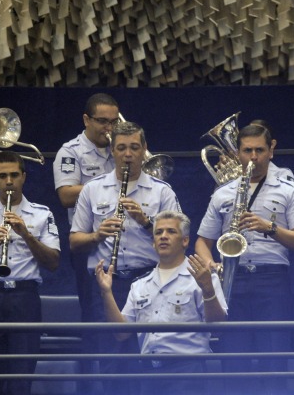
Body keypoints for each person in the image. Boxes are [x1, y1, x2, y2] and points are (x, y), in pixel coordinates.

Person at [195, 124, 294, 394]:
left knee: (274, 358)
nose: (253, 157)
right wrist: (210, 264)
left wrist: (269, 228)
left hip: (272, 281)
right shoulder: (223, 193)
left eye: (259, 150)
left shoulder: (288, 190)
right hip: (231, 281)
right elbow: (202, 241)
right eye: (247, 150)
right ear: (238, 153)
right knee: (233, 360)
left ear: (271, 150)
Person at [70, 121, 181, 395]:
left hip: (151, 283)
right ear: (112, 151)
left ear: (144, 149)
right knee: (111, 360)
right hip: (109, 284)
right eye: (121, 148)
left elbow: (179, 240)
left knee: (151, 356)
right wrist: (97, 235)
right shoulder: (92, 189)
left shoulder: (161, 191)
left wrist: (146, 222)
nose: (128, 154)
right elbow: (74, 241)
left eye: (134, 147)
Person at [95, 211, 227, 395]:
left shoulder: (202, 277)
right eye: (158, 233)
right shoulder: (140, 285)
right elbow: (121, 334)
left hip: (188, 371)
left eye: (171, 231)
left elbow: (217, 325)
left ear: (185, 241)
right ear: (153, 242)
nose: (163, 236)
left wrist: (207, 289)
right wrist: (107, 292)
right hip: (148, 372)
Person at [0, 151, 60, 395]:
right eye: (2, 175)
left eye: (14, 175)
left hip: (25, 297)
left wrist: (26, 234)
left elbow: (53, 262)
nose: (8, 181)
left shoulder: (42, 213)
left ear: (24, 177)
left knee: (21, 374)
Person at [53, 93, 118, 322]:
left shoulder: (121, 148)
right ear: (86, 120)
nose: (109, 128)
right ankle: (93, 358)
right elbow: (66, 195)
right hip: (88, 239)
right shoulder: (71, 152)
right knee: (93, 308)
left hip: (125, 240)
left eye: (113, 121)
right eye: (102, 121)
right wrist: (107, 184)